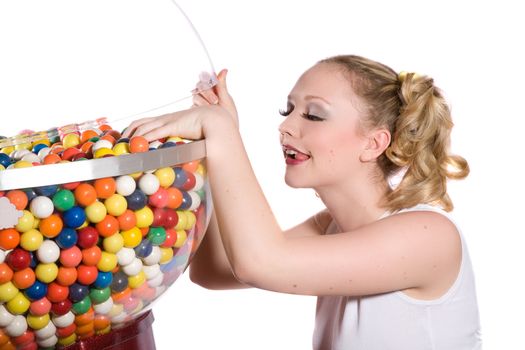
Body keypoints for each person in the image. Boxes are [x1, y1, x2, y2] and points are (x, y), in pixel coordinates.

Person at [123, 55, 482, 349]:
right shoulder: (330, 227)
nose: (287, 126)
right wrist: (217, 145)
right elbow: (214, 270)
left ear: (374, 144)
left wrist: (221, 134)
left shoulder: (428, 236)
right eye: (288, 110)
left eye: (313, 114)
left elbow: (261, 262)